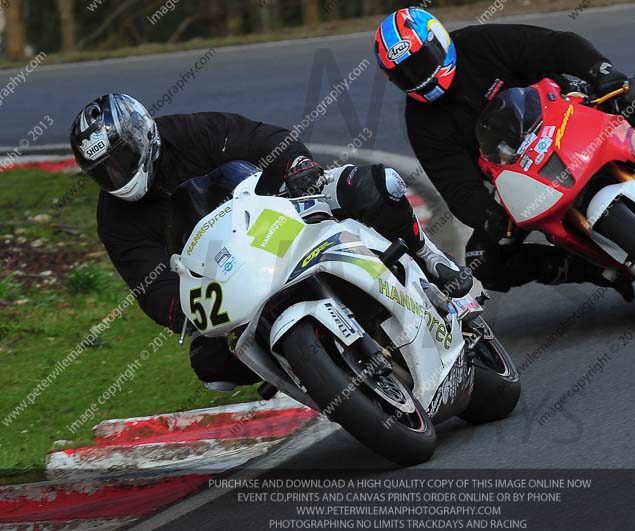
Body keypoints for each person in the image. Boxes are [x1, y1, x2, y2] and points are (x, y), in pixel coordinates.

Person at [69, 93, 471, 389]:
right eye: (104, 171)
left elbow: (262, 139)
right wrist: (184, 309)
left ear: (143, 136)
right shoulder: (114, 220)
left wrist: (296, 164)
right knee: (210, 365)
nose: (117, 175)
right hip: (229, 278)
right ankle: (305, 373)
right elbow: (148, 284)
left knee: (372, 185)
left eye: (121, 159)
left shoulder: (191, 132)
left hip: (276, 217)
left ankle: (428, 255)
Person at [374, 8, 635, 296]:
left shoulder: (480, 43)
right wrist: (488, 216)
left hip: (568, 113)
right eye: (405, 74)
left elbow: (555, 45)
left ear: (439, 40)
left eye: (421, 61)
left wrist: (600, 71)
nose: (419, 77)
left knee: (634, 90)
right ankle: (591, 268)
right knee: (485, 262)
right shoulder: (421, 123)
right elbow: (456, 186)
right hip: (521, 174)